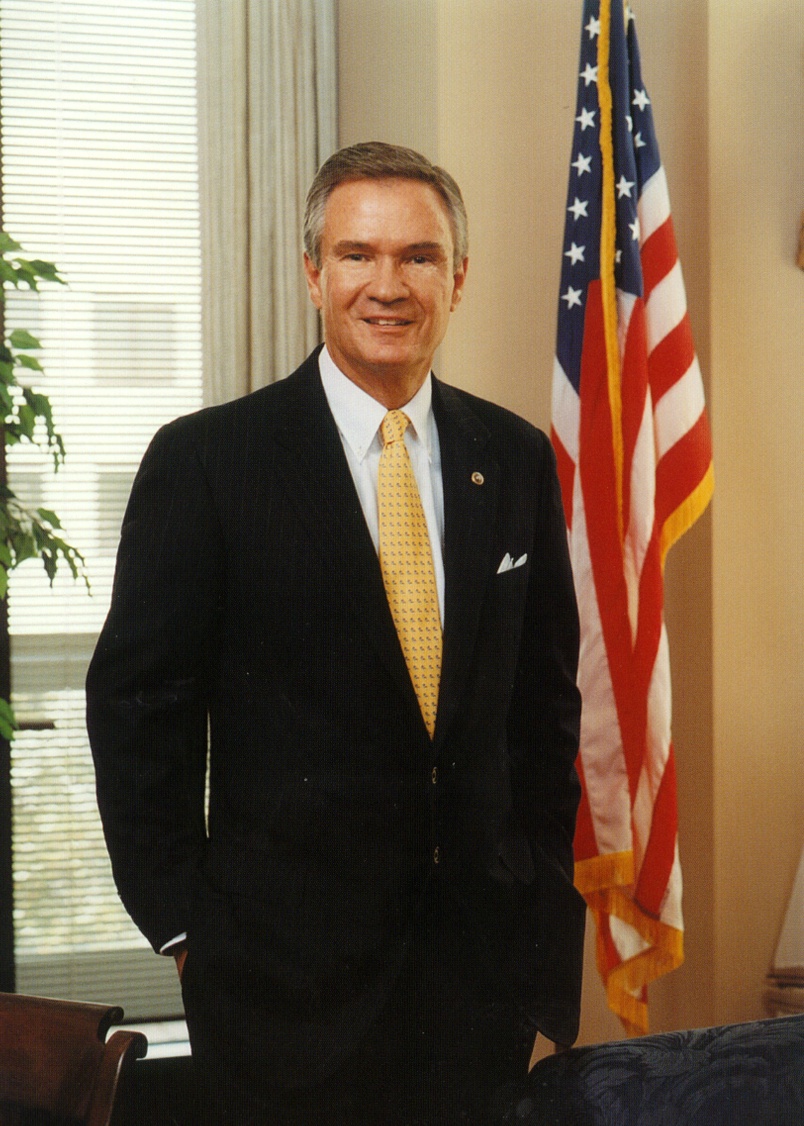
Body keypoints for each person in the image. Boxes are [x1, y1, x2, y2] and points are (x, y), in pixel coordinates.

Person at [87, 141, 585, 1125]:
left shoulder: (515, 458)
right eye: (358, 255)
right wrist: (189, 929)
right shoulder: (209, 463)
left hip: (474, 990)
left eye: (419, 257)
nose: (387, 285)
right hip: (277, 996)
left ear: (460, 277)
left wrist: (538, 908)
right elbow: (140, 711)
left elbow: (545, 712)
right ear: (314, 274)